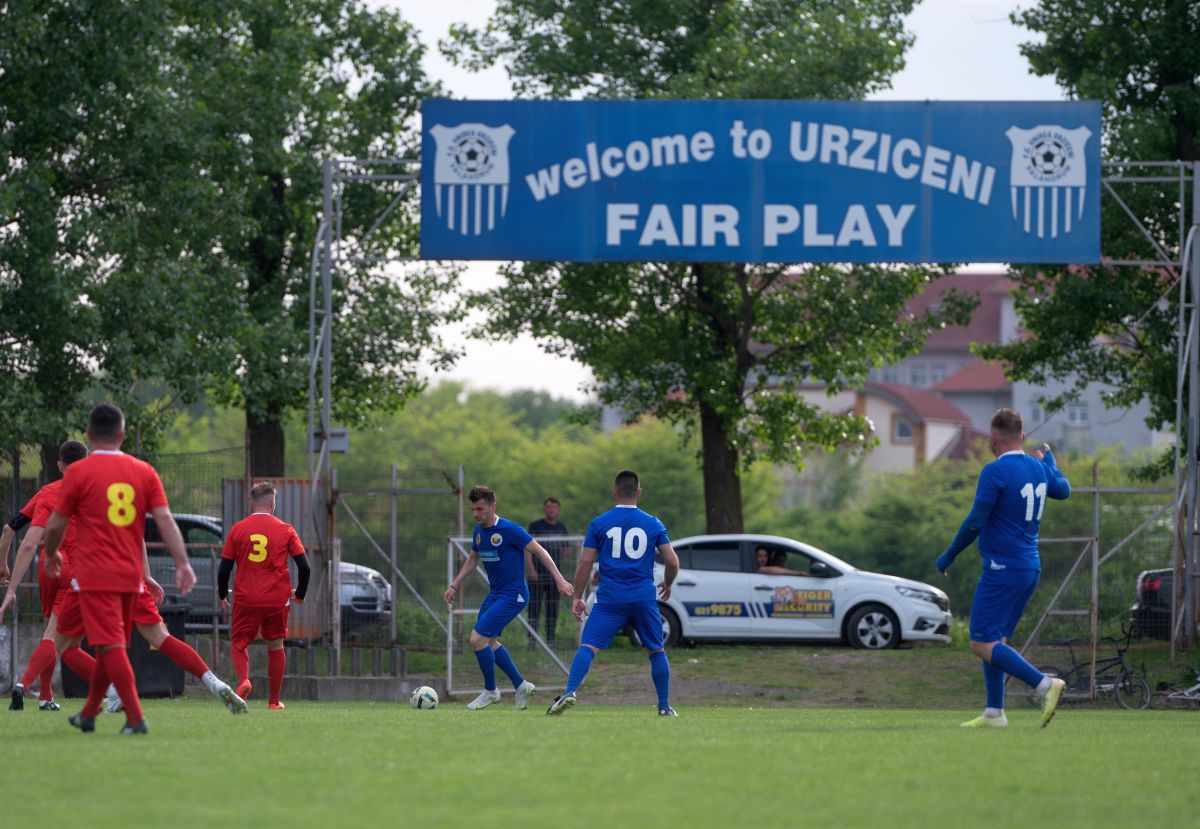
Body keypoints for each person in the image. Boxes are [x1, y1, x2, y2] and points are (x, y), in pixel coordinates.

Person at [41, 403, 240, 735]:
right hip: (132, 576)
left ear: (89, 436)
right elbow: (164, 520)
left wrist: (50, 555)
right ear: (122, 435)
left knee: (109, 646)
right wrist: (182, 564)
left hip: (96, 575)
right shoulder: (144, 471)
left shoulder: (78, 473)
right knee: (113, 644)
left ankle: (135, 718)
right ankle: (89, 714)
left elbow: (56, 525)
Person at [936, 408, 1071, 729]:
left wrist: (949, 554)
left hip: (1003, 567)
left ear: (992, 439)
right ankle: (995, 712)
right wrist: (1050, 463)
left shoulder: (994, 472)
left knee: (980, 642)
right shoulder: (1038, 468)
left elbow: (975, 522)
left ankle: (1044, 685)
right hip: (1029, 567)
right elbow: (1062, 490)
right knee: (995, 639)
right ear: (1022, 438)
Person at [547, 469, 681, 717]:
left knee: (588, 646)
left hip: (610, 599)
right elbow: (672, 561)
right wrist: (669, 583)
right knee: (656, 650)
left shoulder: (599, 523)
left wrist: (577, 596)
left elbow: (585, 563)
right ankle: (664, 707)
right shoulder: (653, 523)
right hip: (643, 597)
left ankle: (570, 692)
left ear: (614, 492)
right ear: (639, 492)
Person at [444, 485, 574, 710]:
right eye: (473, 509)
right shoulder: (478, 531)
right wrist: (454, 585)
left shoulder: (510, 529)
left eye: (480, 509)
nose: (475, 514)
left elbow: (541, 551)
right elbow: (473, 558)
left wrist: (560, 580)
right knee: (489, 642)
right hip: (495, 593)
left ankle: (491, 691)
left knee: (476, 639)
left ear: (493, 507)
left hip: (514, 594)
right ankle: (521, 685)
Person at [1, 440, 90, 711]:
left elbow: (9, 530)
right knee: (58, 639)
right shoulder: (94, 493)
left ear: (60, 465)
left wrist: (6, 572)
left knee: (49, 633)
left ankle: (46, 696)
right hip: (76, 571)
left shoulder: (47, 492)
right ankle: (24, 685)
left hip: (46, 569)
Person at [218, 481, 311, 710]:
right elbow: (305, 567)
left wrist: (222, 594)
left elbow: (224, 570)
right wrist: (299, 593)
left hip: (246, 597)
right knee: (276, 645)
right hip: (276, 599)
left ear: (252, 502)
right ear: (272, 502)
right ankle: (274, 701)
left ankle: (244, 681)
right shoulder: (286, 529)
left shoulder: (238, 529)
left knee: (239, 643)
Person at [526, 496, 569, 649]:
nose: (551, 510)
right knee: (534, 608)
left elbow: (566, 551)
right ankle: (532, 641)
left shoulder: (562, 528)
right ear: (545, 508)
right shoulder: (535, 526)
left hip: (554, 577)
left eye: (554, 507)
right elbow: (528, 549)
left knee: (552, 608)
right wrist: (531, 569)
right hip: (537, 575)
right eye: (549, 507)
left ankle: (551, 640)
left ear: (558, 510)